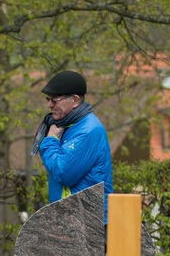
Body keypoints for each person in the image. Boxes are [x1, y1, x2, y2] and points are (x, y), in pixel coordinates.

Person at [31, 70, 113, 222]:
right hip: (72, 217)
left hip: (87, 221)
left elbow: (64, 172)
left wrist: (50, 141)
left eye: (55, 100)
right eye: (48, 99)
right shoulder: (67, 125)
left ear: (75, 100)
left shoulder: (88, 130)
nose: (49, 105)